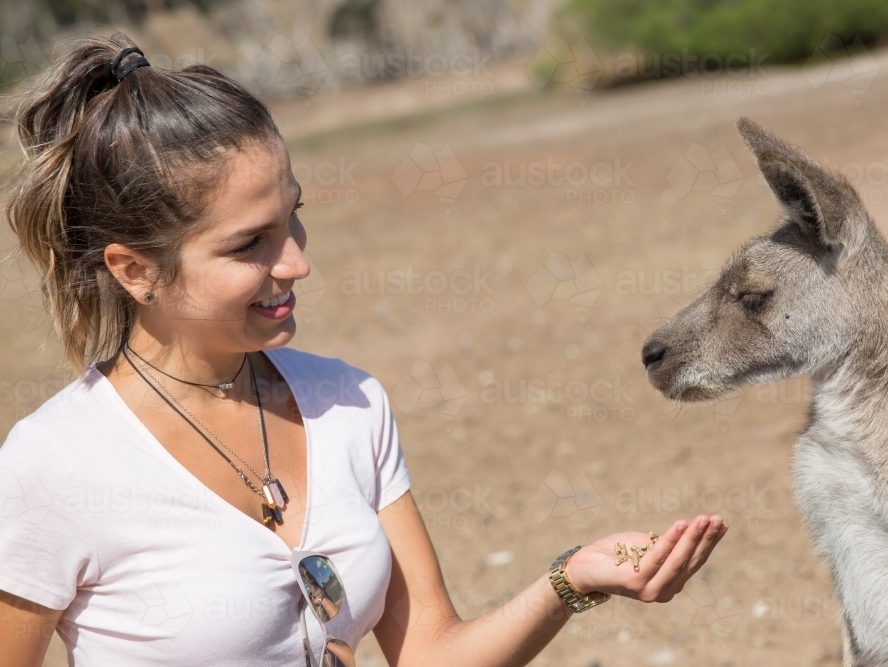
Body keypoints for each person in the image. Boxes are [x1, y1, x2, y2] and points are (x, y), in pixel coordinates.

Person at [0, 32, 728, 667]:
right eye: (249, 243)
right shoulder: (55, 463)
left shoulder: (351, 405)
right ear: (134, 269)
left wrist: (571, 579)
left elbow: (433, 652)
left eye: (294, 218)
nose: (295, 262)